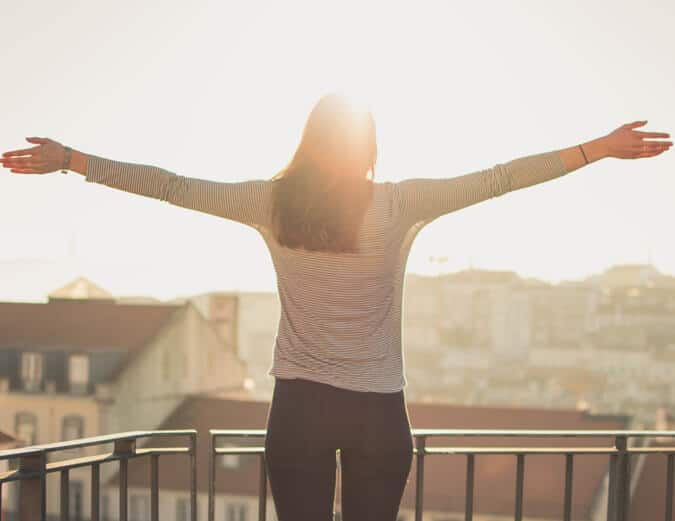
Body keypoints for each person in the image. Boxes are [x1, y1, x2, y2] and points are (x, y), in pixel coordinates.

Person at [1, 94, 671, 521]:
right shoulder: (398, 203)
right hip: (379, 411)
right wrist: (597, 150)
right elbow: (498, 178)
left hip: (298, 410)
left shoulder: (270, 203)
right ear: (369, 149)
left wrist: (71, 160)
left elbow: (171, 186)